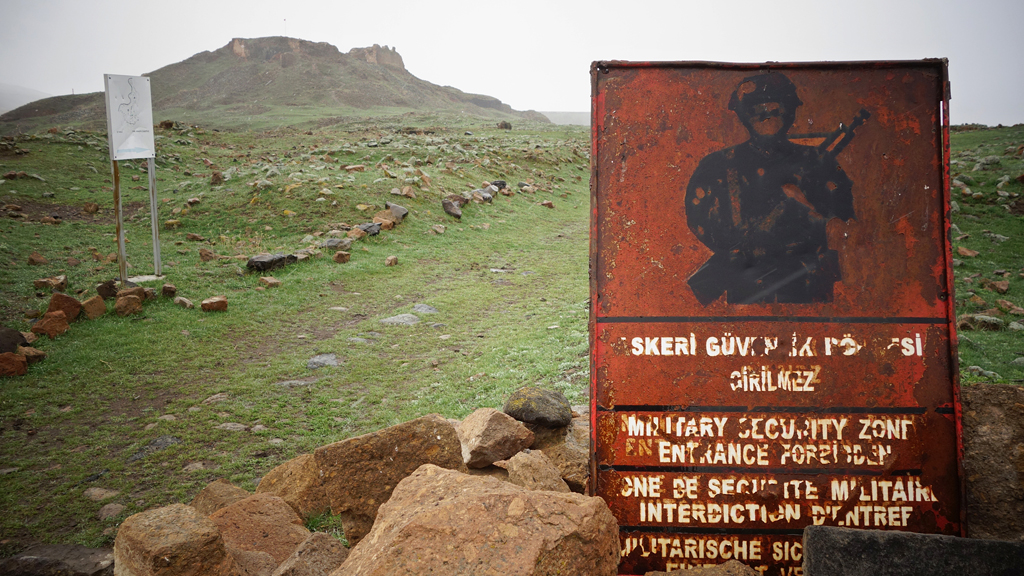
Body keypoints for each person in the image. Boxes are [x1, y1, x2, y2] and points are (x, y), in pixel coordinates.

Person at [685, 73, 856, 305]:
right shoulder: (718, 164)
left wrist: (805, 203)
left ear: (789, 112)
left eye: (776, 109)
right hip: (747, 278)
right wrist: (737, 249)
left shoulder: (818, 161)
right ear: (744, 115)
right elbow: (698, 217)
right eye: (757, 109)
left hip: (806, 278)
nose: (767, 115)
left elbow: (844, 214)